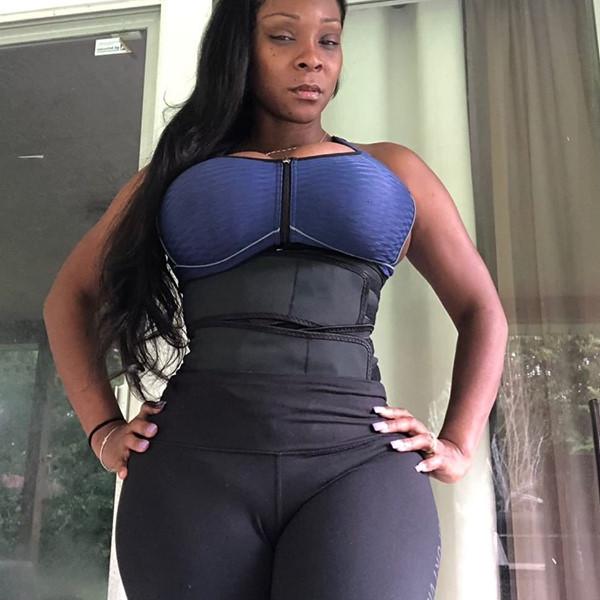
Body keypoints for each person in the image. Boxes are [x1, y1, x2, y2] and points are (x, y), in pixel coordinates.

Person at [43, 0, 508, 598]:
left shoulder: (394, 169)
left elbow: (481, 309)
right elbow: (70, 296)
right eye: (284, 37)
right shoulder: (175, 173)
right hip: (192, 469)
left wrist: (460, 444)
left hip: (356, 465)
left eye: (329, 40)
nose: (312, 58)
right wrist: (103, 430)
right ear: (240, 48)